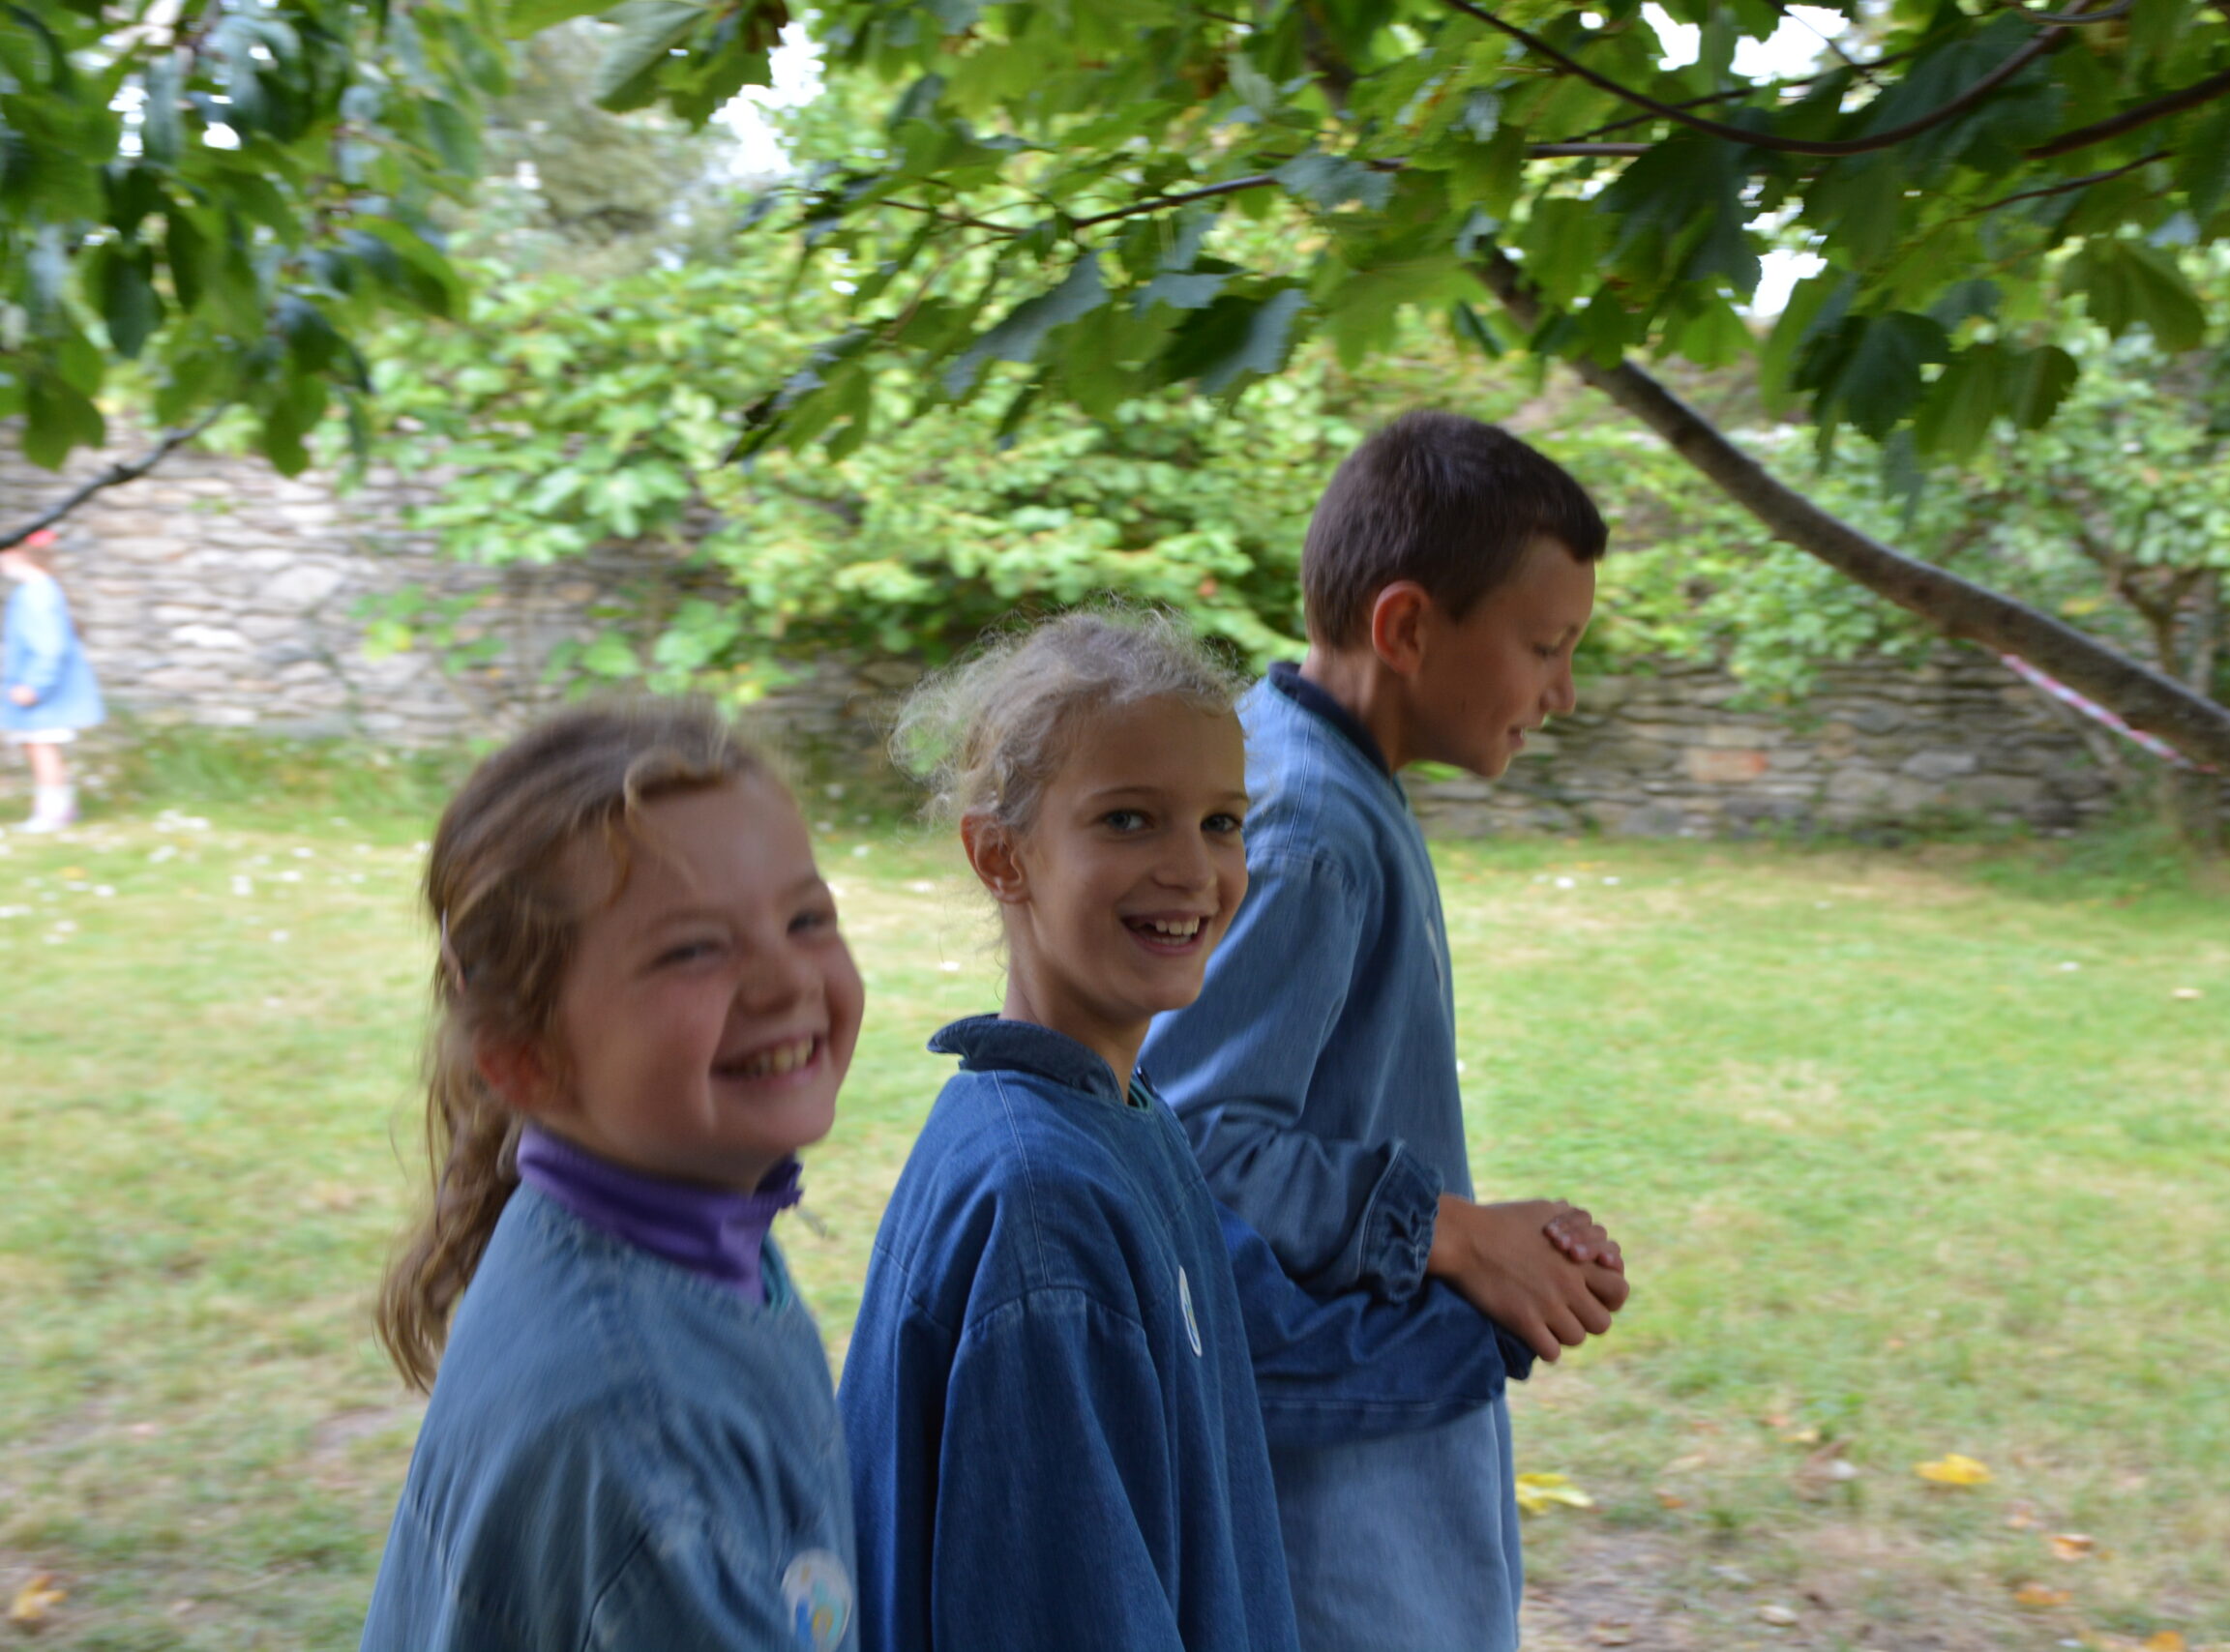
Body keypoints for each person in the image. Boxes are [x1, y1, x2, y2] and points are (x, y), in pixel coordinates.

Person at [838, 611, 1614, 1652]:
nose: (1192, 869)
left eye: (1221, 822)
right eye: (1127, 820)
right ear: (1000, 854)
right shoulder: (1045, 1208)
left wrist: (1483, 1326)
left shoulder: (1128, 1125)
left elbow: (1245, 1358)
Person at [1141, 410, 1627, 1652]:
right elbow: (1186, 1143)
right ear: (1406, 628)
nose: (1562, 693)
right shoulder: (1306, 830)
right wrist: (1451, 1232)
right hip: (1331, 1529)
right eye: (1544, 647)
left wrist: (1490, 1240)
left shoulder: (1313, 775)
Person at [362, 701, 865, 1652]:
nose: (787, 980)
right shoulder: (643, 1439)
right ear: (526, 1061)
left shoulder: (690, 1234)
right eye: (694, 949)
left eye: (806, 918)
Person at [1, 529, 104, 832]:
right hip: (41, 685)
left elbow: (50, 648)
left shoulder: (37, 594)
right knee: (39, 746)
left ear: (17, 555)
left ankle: (53, 814)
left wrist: (35, 685)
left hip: (43, 689)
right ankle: (60, 808)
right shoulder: (38, 589)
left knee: (42, 747)